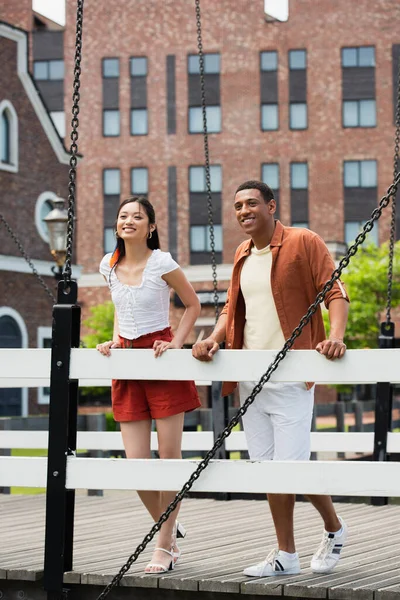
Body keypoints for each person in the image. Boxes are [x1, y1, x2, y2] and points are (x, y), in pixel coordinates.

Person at [192, 180, 350, 577]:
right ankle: (295, 552)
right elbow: (232, 308)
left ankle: (317, 537)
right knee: (270, 468)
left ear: (271, 206)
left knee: (288, 469)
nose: (244, 211)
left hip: (293, 376)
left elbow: (335, 292)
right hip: (250, 378)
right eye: (238, 206)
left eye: (251, 204)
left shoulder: (303, 241)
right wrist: (212, 338)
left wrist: (335, 338)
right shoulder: (242, 253)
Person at [97, 196, 201, 574]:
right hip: (126, 365)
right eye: (123, 216)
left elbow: (192, 305)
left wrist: (175, 344)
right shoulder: (108, 265)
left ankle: (164, 546)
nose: (129, 221)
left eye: (137, 216)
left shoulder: (162, 262)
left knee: (168, 461)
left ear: (150, 226)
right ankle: (168, 525)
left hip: (161, 363)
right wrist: (113, 340)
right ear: (117, 225)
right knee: (136, 466)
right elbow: (120, 312)